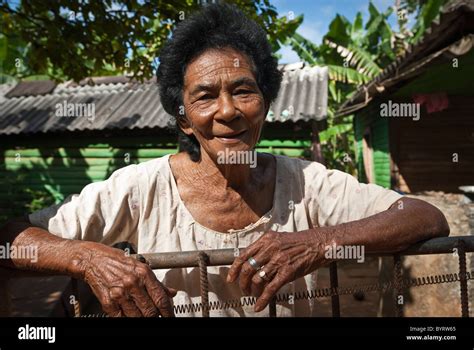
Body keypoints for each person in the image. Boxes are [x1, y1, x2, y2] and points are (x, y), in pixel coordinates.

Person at [0, 3, 449, 317]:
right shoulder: (138, 188)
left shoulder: (310, 184)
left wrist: (317, 242)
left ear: (266, 104)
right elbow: (10, 238)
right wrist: (88, 258)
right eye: (205, 96)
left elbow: (424, 217)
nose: (228, 111)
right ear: (185, 119)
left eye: (243, 90)